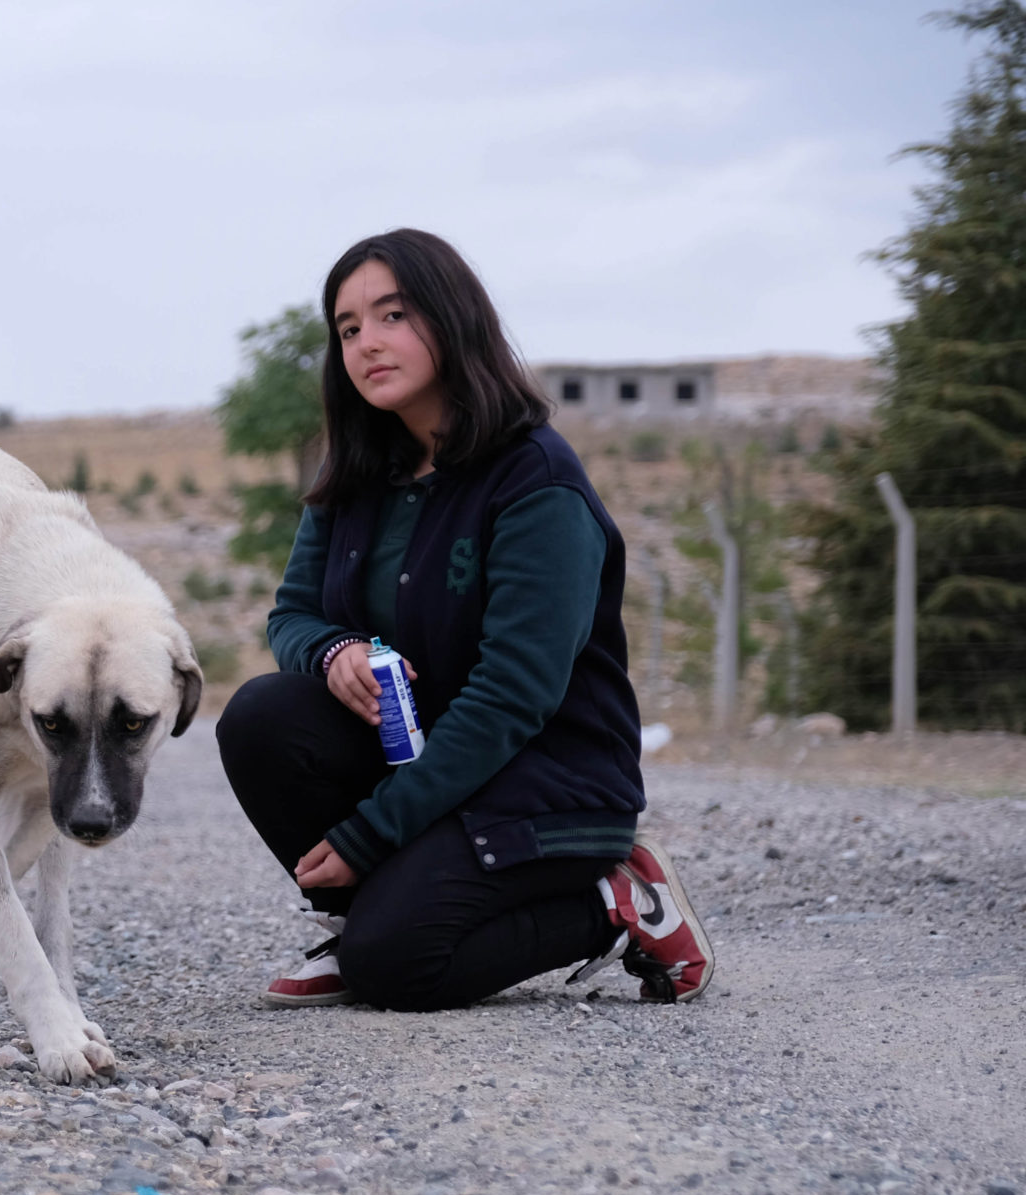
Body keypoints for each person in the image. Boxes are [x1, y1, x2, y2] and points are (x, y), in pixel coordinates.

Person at [215, 228, 713, 1010]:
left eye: (392, 316)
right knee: (260, 716)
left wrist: (369, 836)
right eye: (348, 329)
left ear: (452, 319)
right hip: (428, 767)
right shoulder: (355, 475)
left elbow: (513, 696)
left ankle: (616, 902)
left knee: (398, 970)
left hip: (544, 785)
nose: (367, 344)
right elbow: (292, 616)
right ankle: (370, 922)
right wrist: (334, 649)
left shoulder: (535, 481)